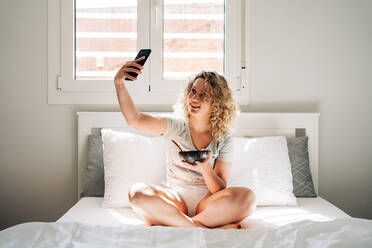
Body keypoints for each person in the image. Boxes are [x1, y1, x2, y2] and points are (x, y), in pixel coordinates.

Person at [114, 56, 256, 229]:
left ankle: (178, 222)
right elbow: (134, 119)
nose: (194, 98)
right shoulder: (174, 126)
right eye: (193, 91)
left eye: (203, 95)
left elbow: (220, 189)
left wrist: (205, 169)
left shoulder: (223, 138)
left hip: (208, 203)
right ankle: (201, 228)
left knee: (247, 198)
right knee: (137, 193)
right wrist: (119, 83)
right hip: (175, 199)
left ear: (216, 103)